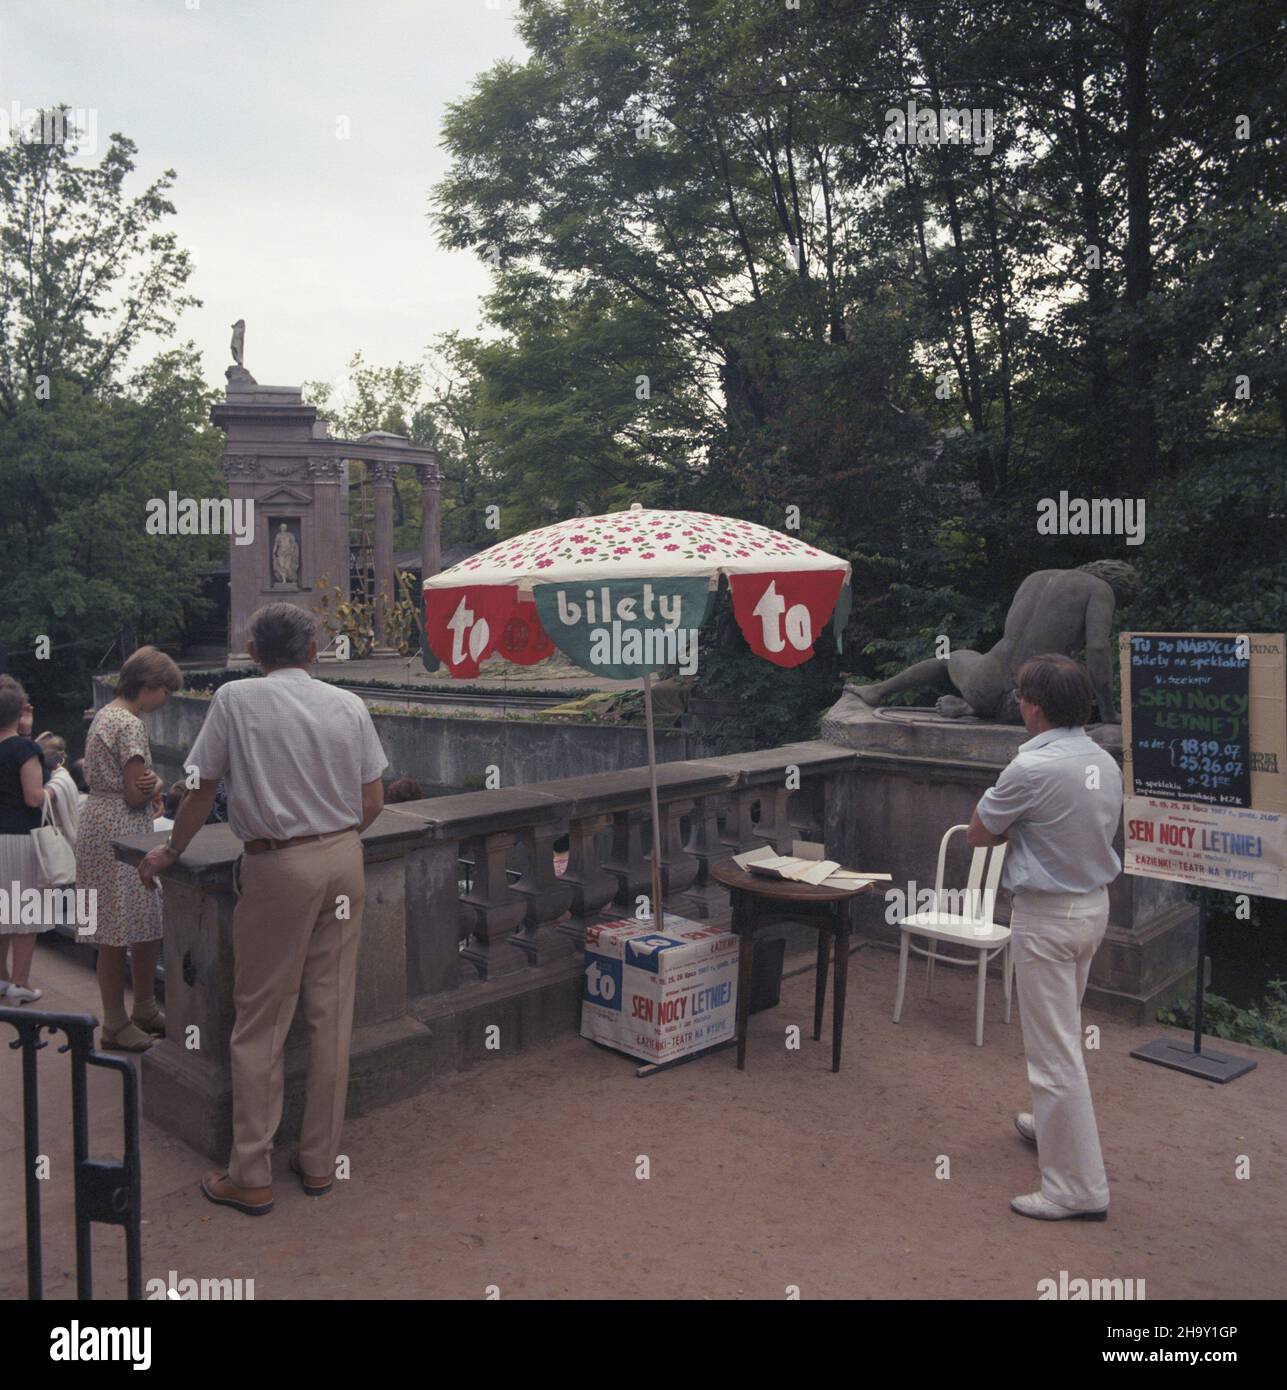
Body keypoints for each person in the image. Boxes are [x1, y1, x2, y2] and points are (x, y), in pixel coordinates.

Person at [138, 603, 388, 1217]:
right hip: (342, 860)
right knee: (331, 1015)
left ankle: (251, 1170)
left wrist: (172, 848)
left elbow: (199, 788)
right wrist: (329, 833)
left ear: (253, 653)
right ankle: (319, 1162)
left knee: (261, 1020)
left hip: (278, 866)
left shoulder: (236, 700)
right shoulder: (348, 704)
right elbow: (373, 800)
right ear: (313, 652)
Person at [967, 653, 1122, 1221]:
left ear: (1033, 706)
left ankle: (1077, 1189)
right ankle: (1050, 1125)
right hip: (1091, 909)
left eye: (1022, 697)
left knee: (1054, 1055)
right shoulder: (1104, 761)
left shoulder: (1031, 768)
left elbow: (980, 834)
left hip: (1048, 917)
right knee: (1064, 1034)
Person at [76, 647, 183, 1050]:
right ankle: (119, 1022)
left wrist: (147, 785)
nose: (165, 700)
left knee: (121, 925)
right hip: (122, 829)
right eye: (166, 692)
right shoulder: (131, 725)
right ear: (150, 687)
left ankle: (136, 1012)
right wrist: (157, 785)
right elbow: (137, 793)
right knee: (122, 927)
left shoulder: (106, 713)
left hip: (99, 822)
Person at [0, 679, 54, 1002]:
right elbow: (34, 798)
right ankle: (21, 982)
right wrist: (57, 788)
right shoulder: (25, 749)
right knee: (25, 912)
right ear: (20, 712)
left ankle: (1, 978)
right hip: (21, 838)